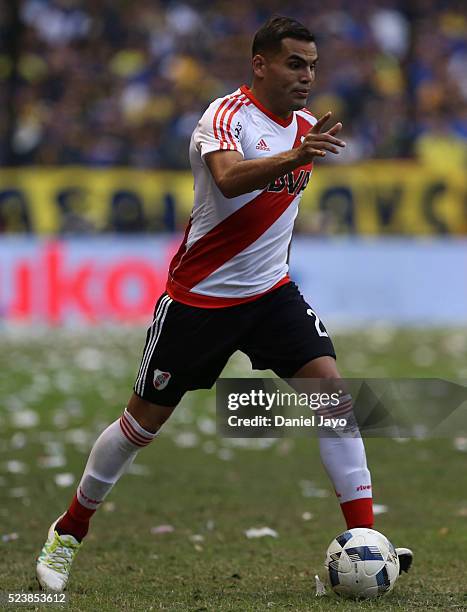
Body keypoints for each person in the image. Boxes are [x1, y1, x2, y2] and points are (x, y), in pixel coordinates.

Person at [36, 15, 412, 592]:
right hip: (199, 302)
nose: (306, 76)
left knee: (334, 399)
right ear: (259, 63)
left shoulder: (308, 126)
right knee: (141, 425)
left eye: (312, 66)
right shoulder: (224, 117)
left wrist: (282, 244)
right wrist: (295, 157)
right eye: (294, 63)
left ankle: (365, 538)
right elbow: (231, 179)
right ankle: (68, 532)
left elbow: (277, 215)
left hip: (270, 296)